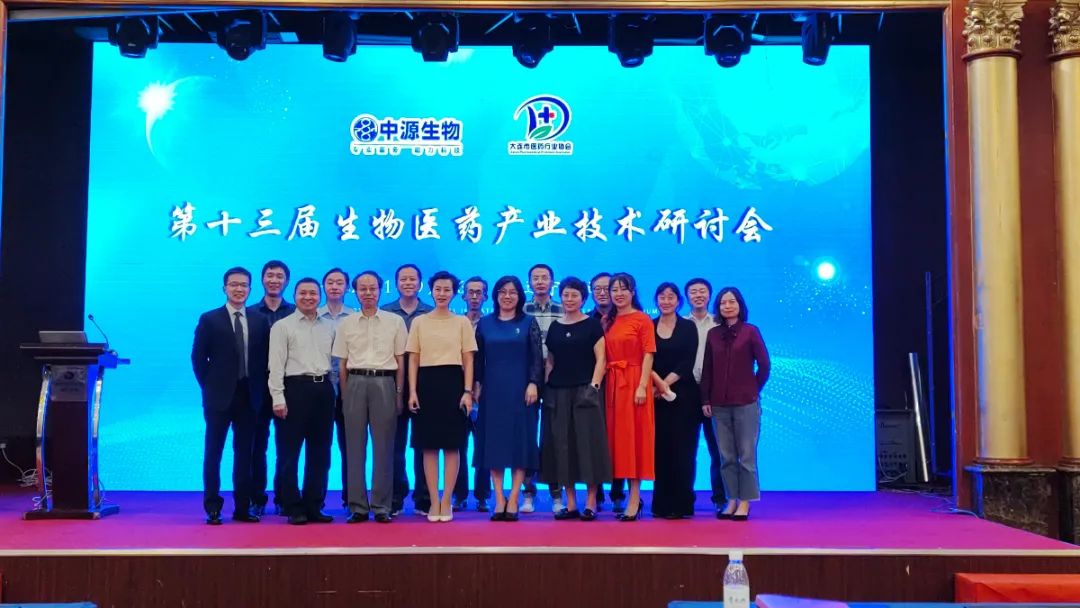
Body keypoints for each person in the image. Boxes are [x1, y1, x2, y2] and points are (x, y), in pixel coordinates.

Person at [191, 267, 270, 525]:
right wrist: (209, 386)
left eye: (244, 285)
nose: (239, 289)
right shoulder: (209, 319)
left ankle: (242, 508)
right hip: (219, 398)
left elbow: (264, 359)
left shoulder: (259, 320)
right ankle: (212, 507)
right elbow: (198, 358)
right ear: (224, 288)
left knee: (245, 454)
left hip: (249, 396)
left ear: (250, 289)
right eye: (234, 284)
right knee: (214, 452)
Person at [333, 271, 407, 524]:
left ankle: (381, 506)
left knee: (384, 447)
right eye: (362, 289)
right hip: (355, 382)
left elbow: (400, 361)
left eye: (372, 288)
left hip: (385, 382)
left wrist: (399, 393)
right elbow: (342, 364)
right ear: (355, 292)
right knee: (354, 447)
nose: (368, 293)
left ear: (380, 290)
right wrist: (345, 395)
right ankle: (358, 506)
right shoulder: (346, 323)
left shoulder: (394, 321)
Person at [406, 270, 477, 522]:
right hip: (426, 384)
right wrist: (412, 391)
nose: (442, 293)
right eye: (438, 289)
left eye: (447, 289)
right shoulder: (419, 322)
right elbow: (413, 358)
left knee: (452, 445)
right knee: (428, 446)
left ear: (454, 293)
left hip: (453, 384)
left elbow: (468, 359)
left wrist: (467, 391)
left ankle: (446, 500)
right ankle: (433, 501)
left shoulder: (461, 322)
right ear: (431, 291)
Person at [541, 276, 611, 521]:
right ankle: (570, 503)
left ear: (583, 299)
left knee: (588, 444)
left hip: (585, 392)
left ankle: (590, 501)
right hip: (557, 392)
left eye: (575, 295)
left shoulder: (592, 325)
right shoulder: (555, 327)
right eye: (566, 295)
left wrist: (594, 386)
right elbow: (550, 360)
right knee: (563, 446)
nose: (569, 299)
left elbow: (601, 359)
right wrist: (546, 387)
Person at [474, 276, 543, 522]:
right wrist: (476, 385)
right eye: (502, 292)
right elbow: (478, 360)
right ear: (495, 295)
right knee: (494, 444)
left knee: (520, 443)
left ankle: (514, 497)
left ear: (519, 296)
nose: (507, 296)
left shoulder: (528, 322)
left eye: (512, 292)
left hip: (522, 392)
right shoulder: (485, 324)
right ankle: (499, 498)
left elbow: (537, 357)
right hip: (492, 392)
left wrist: (534, 383)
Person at [268, 278, 337, 525]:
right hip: (294, 390)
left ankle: (314, 505)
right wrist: (278, 397)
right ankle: (292, 506)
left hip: (323, 389)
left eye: (313, 293)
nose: (308, 297)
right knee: (289, 452)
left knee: (321, 453)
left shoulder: (329, 326)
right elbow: (275, 365)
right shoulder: (282, 326)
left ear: (320, 296)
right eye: (303, 293)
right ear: (295, 296)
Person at [701, 287, 771, 521]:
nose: (727, 306)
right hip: (718, 404)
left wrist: (752, 390)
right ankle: (731, 498)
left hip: (745, 403)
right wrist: (706, 399)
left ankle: (745, 502)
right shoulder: (713, 334)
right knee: (726, 456)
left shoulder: (751, 331)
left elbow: (764, 366)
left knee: (746, 455)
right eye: (723, 303)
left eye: (732, 302)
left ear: (740, 305)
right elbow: (708, 369)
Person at [602, 272, 655, 522]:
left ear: (633, 292)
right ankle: (619, 495)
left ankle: (635, 498)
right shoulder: (607, 320)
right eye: (614, 290)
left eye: (623, 289)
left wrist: (642, 386)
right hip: (612, 385)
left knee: (636, 440)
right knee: (618, 442)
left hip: (634, 382)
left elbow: (648, 354)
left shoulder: (642, 319)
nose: (619, 294)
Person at [382, 263, 434, 516]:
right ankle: (395, 497)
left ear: (420, 284)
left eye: (413, 279)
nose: (408, 283)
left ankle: (424, 497)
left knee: (424, 443)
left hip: (425, 384)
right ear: (396, 283)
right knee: (395, 444)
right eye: (403, 279)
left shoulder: (431, 313)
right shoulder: (385, 312)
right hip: (392, 384)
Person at [650, 282, 700, 519]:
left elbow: (687, 361)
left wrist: (664, 384)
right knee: (660, 450)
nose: (666, 301)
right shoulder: (649, 326)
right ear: (656, 301)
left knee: (684, 450)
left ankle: (682, 504)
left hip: (684, 397)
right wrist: (657, 386)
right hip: (655, 398)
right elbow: (645, 359)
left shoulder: (688, 327)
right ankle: (661, 504)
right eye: (662, 297)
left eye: (671, 297)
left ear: (679, 302)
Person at [252, 260, 295, 516]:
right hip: (257, 389)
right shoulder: (250, 313)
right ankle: (257, 498)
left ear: (286, 281)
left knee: (287, 446)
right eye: (270, 275)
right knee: (256, 446)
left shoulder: (295, 313)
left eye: (280, 276)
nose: (274, 280)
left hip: (288, 389)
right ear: (262, 279)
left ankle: (284, 497)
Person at [522, 263, 564, 513]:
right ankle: (528, 492)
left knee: (553, 437)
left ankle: (556, 494)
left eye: (544, 277)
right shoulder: (521, 310)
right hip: (526, 379)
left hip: (555, 380)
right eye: (535, 278)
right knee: (527, 436)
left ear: (552, 282)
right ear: (529, 283)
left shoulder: (563, 309)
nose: (540, 281)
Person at [683, 278, 725, 513]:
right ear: (687, 296)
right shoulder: (680, 323)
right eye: (693, 292)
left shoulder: (719, 323)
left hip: (714, 392)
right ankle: (685, 499)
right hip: (686, 392)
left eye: (702, 291)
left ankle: (720, 498)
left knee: (718, 449)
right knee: (686, 450)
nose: (698, 295)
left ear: (709, 295)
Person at [590, 271, 624, 512]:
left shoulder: (625, 317)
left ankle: (618, 493)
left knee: (619, 438)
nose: (602, 293)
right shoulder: (586, 319)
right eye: (597, 289)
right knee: (595, 437)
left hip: (621, 383)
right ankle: (597, 493)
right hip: (595, 386)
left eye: (607, 288)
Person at [319, 268, 352, 508]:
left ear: (347, 288)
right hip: (320, 388)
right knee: (320, 446)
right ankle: (317, 498)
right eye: (330, 282)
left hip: (348, 388)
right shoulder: (314, 315)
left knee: (350, 446)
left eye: (339, 283)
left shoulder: (355, 317)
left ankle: (351, 498)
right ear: (324, 286)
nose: (334, 286)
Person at [459, 276, 492, 512]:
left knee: (484, 445)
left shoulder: (491, 324)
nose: (474, 297)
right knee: (458, 445)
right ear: (463, 296)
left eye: (479, 292)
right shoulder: (455, 323)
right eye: (470, 292)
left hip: (486, 392)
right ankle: (459, 495)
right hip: (458, 391)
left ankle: (482, 496)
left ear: (486, 297)